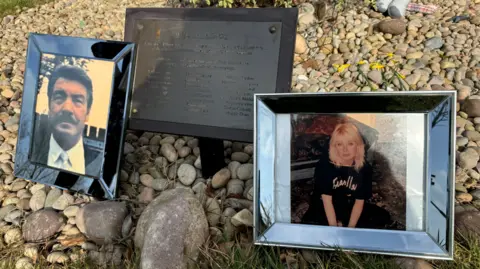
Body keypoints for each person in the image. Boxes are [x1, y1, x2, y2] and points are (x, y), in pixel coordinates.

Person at [301, 122, 391, 229]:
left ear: (358, 146)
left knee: (382, 217)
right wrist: (333, 228)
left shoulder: (364, 169)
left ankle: (345, 223)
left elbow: (359, 202)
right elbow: (327, 201)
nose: (345, 149)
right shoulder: (325, 166)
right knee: (310, 223)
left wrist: (351, 228)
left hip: (349, 204)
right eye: (339, 144)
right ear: (334, 147)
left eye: (350, 144)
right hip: (326, 206)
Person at [31, 64, 102, 179]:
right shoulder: (30, 153)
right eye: (59, 97)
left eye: (77, 100)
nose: (67, 109)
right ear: (49, 105)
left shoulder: (99, 165)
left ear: (88, 113)